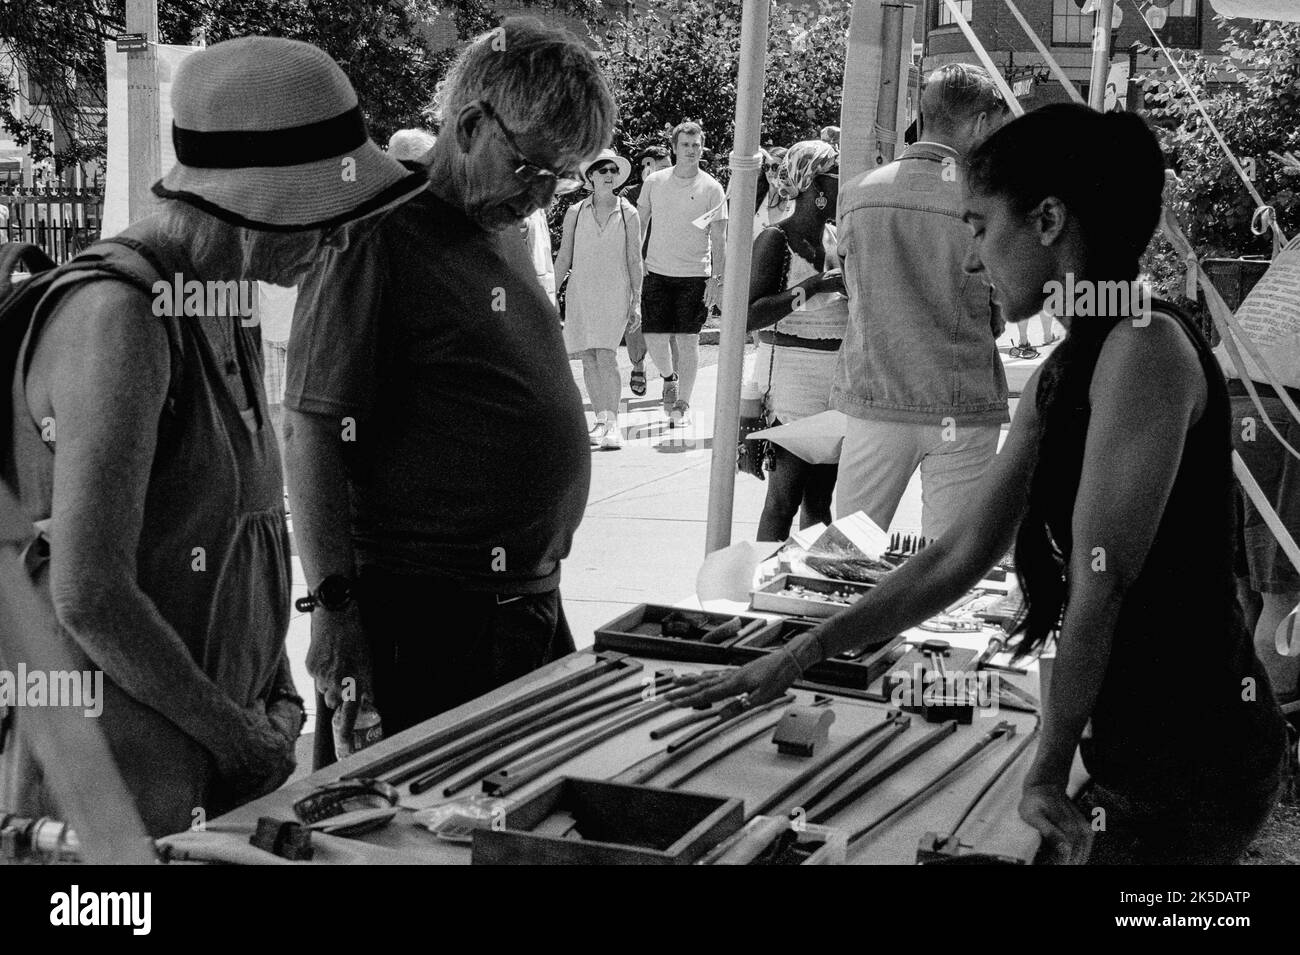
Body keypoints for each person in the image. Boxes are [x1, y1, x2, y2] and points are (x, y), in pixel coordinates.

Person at [672, 104, 1289, 866]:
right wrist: (803, 653)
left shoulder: (1143, 347)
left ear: (1049, 220)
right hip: (1135, 742)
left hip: (1193, 758)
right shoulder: (1069, 367)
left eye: (979, 225)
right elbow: (962, 549)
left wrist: (1046, 767)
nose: (971, 257)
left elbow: (1105, 584)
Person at [0, 36, 429, 835]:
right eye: (326, 214)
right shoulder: (122, 314)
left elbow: (240, 535)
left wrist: (275, 694)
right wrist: (239, 736)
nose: (338, 239)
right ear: (252, 201)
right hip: (109, 799)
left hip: (210, 773)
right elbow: (90, 595)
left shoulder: (217, 299)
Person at [285, 17, 615, 768]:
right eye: (531, 168)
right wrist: (334, 613)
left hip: (517, 608)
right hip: (425, 618)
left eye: (559, 177)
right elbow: (310, 430)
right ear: (471, 123)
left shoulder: (495, 223)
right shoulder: (374, 233)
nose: (541, 195)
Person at [832, 64, 1010, 540]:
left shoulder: (857, 193)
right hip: (962, 399)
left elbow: (855, 290)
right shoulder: (988, 201)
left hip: (879, 398)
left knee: (844, 557)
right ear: (978, 124)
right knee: (950, 566)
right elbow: (1005, 304)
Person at [741, 140, 846, 540]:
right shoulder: (774, 239)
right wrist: (817, 284)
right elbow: (751, 313)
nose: (844, 186)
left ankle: (809, 582)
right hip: (792, 383)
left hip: (835, 382)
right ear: (814, 185)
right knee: (784, 499)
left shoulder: (837, 237)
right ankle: (764, 580)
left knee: (820, 501)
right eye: (837, 178)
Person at [637, 120, 728, 428]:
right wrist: (635, 262)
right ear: (674, 148)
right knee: (653, 337)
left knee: (689, 341)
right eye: (685, 145)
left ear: (702, 149)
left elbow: (718, 238)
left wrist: (717, 279)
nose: (691, 150)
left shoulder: (712, 188)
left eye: (696, 145)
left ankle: (683, 404)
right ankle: (668, 377)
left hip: (695, 275)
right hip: (657, 271)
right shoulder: (655, 182)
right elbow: (641, 225)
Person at [554, 149, 642, 450]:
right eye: (601, 170)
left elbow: (635, 260)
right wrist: (550, 293)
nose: (607, 175)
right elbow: (564, 255)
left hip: (615, 291)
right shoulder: (575, 212)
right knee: (589, 358)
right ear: (590, 176)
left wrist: (637, 300)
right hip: (582, 291)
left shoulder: (629, 213)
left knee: (606, 355)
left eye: (612, 171)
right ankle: (601, 419)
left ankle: (614, 422)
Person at [620, 145, 672, 398]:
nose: (668, 172)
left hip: (670, 265)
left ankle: (669, 377)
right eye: (661, 168)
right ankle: (638, 365)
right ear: (646, 168)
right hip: (638, 266)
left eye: (669, 166)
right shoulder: (629, 194)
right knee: (636, 321)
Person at [753, 146, 793, 230]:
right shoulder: (756, 196)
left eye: (775, 167)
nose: (770, 171)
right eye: (766, 167)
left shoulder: (795, 200)